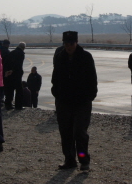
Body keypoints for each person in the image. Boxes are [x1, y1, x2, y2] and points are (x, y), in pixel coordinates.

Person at [51, 31, 98, 171]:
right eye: (66, 43)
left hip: (82, 102)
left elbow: (92, 78)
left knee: (80, 132)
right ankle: (69, 159)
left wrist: (90, 96)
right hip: (63, 101)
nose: (69, 46)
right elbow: (55, 78)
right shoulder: (60, 57)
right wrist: (57, 93)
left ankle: (83, 159)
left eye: (71, 43)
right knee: (65, 132)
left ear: (76, 43)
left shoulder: (85, 57)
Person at [5, 42, 25, 110]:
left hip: (9, 74)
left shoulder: (12, 52)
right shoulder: (21, 53)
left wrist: (8, 70)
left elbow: (6, 62)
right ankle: (18, 105)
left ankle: (8, 104)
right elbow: (18, 64)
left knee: (10, 90)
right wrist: (14, 70)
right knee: (19, 90)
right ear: (23, 47)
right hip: (17, 74)